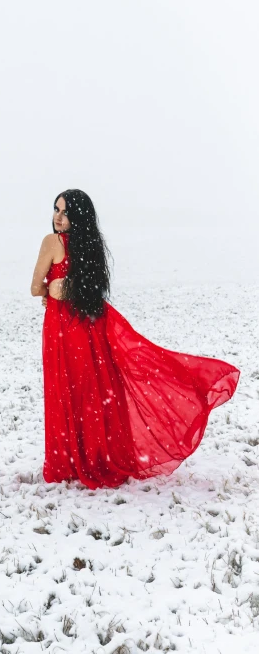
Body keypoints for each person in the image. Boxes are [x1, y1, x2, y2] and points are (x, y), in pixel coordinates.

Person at [30, 189, 240, 489]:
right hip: (90, 325)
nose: (57, 217)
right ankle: (96, 455)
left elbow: (36, 288)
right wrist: (64, 287)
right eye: (56, 209)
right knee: (92, 389)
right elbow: (90, 288)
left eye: (64, 211)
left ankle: (72, 460)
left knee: (68, 389)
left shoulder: (51, 243)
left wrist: (53, 287)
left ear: (77, 217)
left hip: (63, 328)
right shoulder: (92, 245)